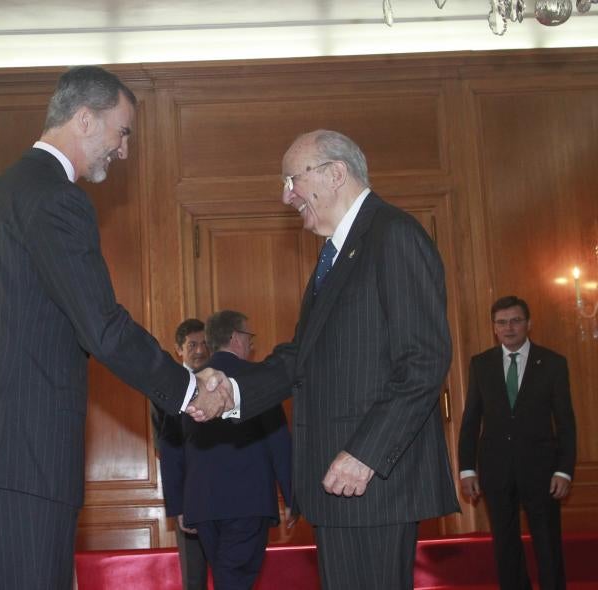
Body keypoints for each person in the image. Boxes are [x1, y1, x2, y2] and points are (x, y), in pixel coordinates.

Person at [0, 65, 231, 590]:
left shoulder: (1, 193)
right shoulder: (55, 198)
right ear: (86, 119)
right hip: (24, 452)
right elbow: (103, 327)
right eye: (123, 132)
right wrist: (187, 388)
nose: (124, 150)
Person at [189, 130, 459, 589]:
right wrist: (232, 392)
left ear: (336, 173)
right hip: (338, 480)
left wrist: (365, 454)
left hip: (371, 480)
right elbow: (301, 358)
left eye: (293, 179)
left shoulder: (393, 234)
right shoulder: (333, 256)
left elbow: (424, 361)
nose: (286, 195)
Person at [458, 295, 576, 590]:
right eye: (501, 322)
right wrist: (467, 469)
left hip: (542, 471)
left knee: (547, 544)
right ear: (494, 328)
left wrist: (564, 470)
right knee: (505, 544)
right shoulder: (481, 364)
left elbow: (565, 422)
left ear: (528, 323)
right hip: (496, 469)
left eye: (515, 320)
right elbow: (471, 420)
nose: (509, 327)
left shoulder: (552, 363)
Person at [173, 310, 292, 590]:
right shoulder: (259, 378)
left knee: (227, 579)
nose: (251, 345)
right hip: (247, 503)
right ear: (236, 338)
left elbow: (174, 445)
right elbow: (279, 441)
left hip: (203, 505)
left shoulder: (190, 383)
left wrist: (183, 506)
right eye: (249, 337)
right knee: (234, 581)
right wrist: (291, 496)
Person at [151, 318, 209, 590]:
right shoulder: (166, 389)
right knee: (194, 578)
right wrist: (180, 504)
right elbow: (166, 448)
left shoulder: (220, 381)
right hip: (189, 499)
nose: (199, 350)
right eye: (192, 344)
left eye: (204, 344)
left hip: (225, 500)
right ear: (179, 349)